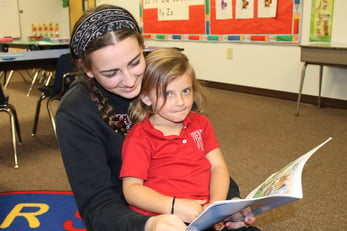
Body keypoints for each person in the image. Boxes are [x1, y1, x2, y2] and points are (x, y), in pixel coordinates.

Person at [56, 4, 257, 231]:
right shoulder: (75, 113)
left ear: (143, 47)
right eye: (111, 73)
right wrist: (150, 224)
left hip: (199, 206)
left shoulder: (167, 81)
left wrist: (228, 204)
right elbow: (98, 207)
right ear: (88, 69)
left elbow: (204, 160)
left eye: (135, 62)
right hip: (132, 219)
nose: (130, 80)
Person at [120, 48, 230, 225]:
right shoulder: (140, 137)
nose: (180, 102)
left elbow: (218, 167)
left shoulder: (201, 124)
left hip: (203, 213)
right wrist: (174, 206)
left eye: (186, 91)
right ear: (147, 98)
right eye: (168, 94)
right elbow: (132, 190)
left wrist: (216, 205)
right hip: (164, 218)